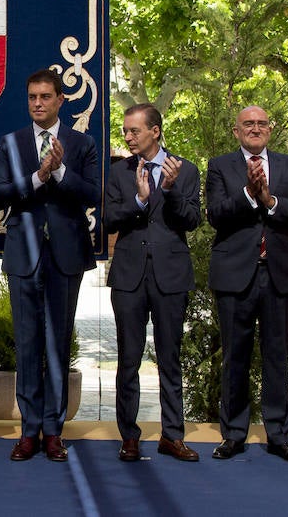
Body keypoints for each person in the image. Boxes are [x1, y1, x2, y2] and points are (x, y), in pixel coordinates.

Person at [0, 68, 100, 462]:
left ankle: (54, 431)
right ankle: (29, 431)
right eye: (32, 97)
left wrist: (62, 172)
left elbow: (93, 193)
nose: (38, 103)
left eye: (45, 97)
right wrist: (38, 176)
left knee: (57, 345)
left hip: (65, 256)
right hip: (24, 255)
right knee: (27, 346)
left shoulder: (81, 143)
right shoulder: (12, 143)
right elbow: (0, 195)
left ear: (60, 100)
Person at [205, 105, 288, 464]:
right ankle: (233, 435)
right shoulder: (221, 166)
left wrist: (270, 200)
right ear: (236, 131)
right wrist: (250, 195)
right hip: (236, 273)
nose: (255, 128)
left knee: (277, 357)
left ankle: (279, 436)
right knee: (235, 357)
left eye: (261, 123)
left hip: (278, 273)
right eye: (248, 124)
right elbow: (215, 213)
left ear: (270, 130)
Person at [103, 103, 201, 462]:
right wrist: (140, 200)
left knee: (170, 358)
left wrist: (171, 191)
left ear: (155, 131)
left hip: (170, 275)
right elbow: (110, 218)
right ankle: (129, 435)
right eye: (126, 131)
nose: (128, 137)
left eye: (134, 131)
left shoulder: (186, 170)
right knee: (128, 359)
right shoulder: (118, 172)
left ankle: (172, 435)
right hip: (129, 276)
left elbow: (192, 220)